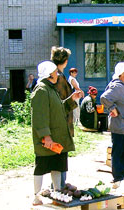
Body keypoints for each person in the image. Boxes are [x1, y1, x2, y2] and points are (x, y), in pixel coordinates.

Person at [30, 61, 83, 205]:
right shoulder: (41, 90)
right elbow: (39, 116)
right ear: (49, 74)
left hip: (57, 137)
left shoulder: (51, 89)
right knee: (41, 165)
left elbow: (59, 109)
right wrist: (46, 136)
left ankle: (58, 194)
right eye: (55, 72)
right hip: (49, 138)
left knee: (57, 165)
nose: (57, 74)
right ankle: (36, 196)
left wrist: (72, 99)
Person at [101, 62, 124, 188]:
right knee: (119, 154)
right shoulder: (117, 86)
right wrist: (112, 108)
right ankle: (118, 179)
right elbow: (104, 98)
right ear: (122, 74)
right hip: (121, 127)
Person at [51, 46, 77, 189]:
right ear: (65, 61)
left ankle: (58, 184)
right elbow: (65, 100)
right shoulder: (60, 77)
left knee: (58, 153)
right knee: (61, 153)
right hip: (62, 121)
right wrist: (74, 97)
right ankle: (59, 186)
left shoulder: (53, 75)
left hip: (56, 120)